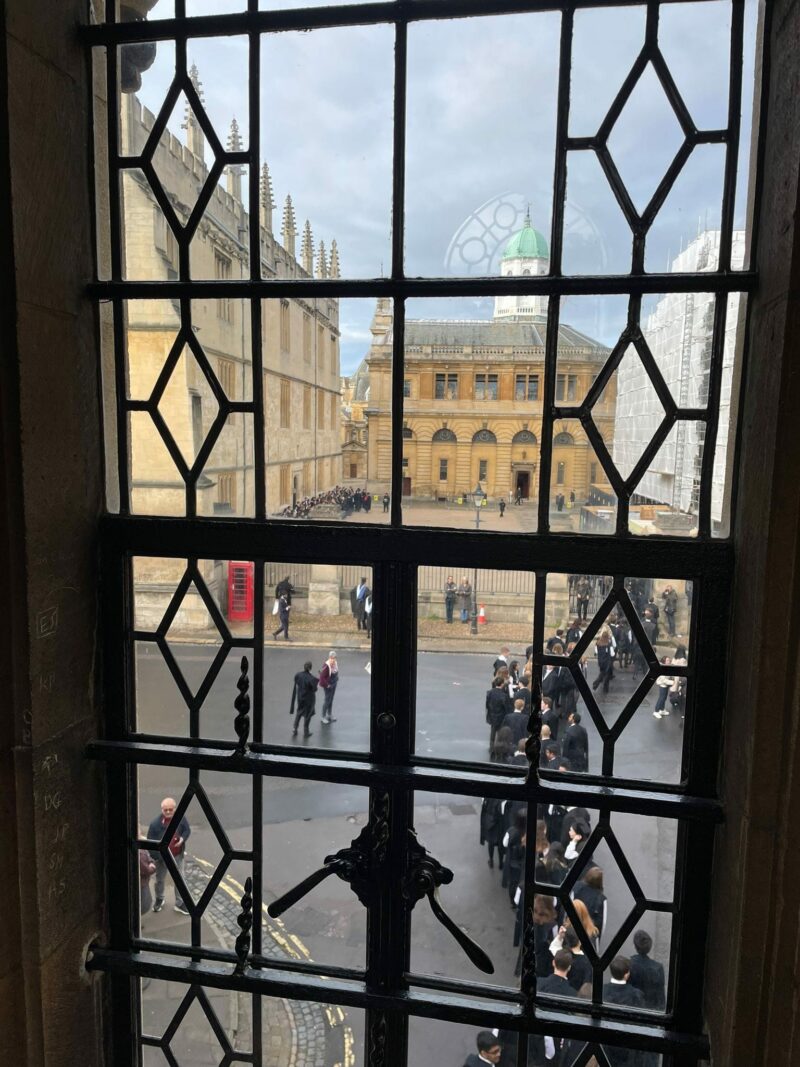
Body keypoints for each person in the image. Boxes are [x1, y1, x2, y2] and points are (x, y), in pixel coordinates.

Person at [148, 797, 190, 915]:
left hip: (177, 855)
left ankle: (179, 903)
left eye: (170, 809)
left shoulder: (181, 818)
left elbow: (187, 830)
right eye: (165, 810)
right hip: (162, 858)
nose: (167, 812)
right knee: (159, 879)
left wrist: (182, 839)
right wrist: (158, 857)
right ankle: (159, 899)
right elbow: (150, 843)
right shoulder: (155, 824)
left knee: (180, 879)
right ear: (162, 809)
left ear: (175, 809)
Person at [628, 929, 666, 1011]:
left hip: (633, 1009)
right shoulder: (658, 968)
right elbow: (661, 998)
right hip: (652, 1011)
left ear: (635, 946)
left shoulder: (630, 964)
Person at [574, 866, 607, 942]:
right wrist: (597, 940)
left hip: (571, 927)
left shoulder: (575, 887)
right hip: (587, 934)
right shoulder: (601, 899)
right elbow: (602, 923)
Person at [290, 660, 318, 738]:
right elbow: (315, 689)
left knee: (299, 712)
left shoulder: (298, 675)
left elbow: (296, 681)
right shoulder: (312, 678)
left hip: (300, 697)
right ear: (310, 668)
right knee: (308, 715)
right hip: (309, 699)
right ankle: (306, 731)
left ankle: (295, 728)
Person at [486, 676, 512, 753]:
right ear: (502, 684)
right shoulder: (503, 695)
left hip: (492, 715)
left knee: (493, 732)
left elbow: (487, 704)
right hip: (501, 716)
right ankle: (500, 747)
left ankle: (491, 747)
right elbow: (506, 707)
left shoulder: (490, 692)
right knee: (501, 733)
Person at [480, 796, 506, 870]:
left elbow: (483, 806)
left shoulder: (487, 796)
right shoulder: (502, 800)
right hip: (500, 824)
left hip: (490, 823)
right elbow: (503, 811)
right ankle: (501, 863)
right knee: (500, 845)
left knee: (490, 843)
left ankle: (491, 861)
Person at [592, 626, 615, 695]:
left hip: (600, 661)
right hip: (607, 662)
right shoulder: (608, 644)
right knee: (607, 675)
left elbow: (596, 652)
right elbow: (612, 654)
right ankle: (605, 688)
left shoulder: (598, 643)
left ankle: (596, 683)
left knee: (602, 673)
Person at [319, 651, 339, 724]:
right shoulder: (326, 666)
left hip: (334, 683)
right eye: (332, 658)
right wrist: (327, 685)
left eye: (334, 658)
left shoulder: (335, 663)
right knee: (327, 700)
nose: (333, 659)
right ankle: (323, 716)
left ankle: (329, 714)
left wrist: (336, 678)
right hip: (328, 685)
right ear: (329, 657)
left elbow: (335, 672)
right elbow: (322, 678)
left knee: (331, 699)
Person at [139, 843, 156, 916]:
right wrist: (152, 867)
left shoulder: (141, 848)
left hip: (143, 882)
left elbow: (149, 856)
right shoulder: (140, 854)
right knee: (143, 905)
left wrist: (151, 862)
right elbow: (147, 870)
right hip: (141, 883)